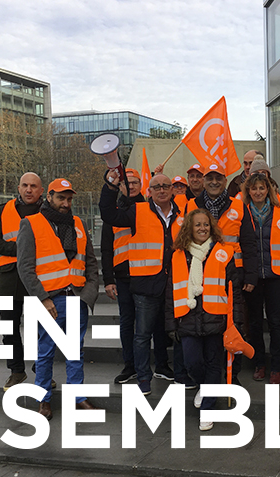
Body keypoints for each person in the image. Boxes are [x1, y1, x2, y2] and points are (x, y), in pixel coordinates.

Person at [100, 171, 190, 395]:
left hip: (175, 284)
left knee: (177, 331)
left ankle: (178, 373)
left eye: (166, 186)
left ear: (172, 190)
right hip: (146, 284)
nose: (162, 190)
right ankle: (143, 377)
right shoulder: (137, 211)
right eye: (156, 186)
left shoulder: (183, 214)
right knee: (142, 334)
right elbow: (109, 214)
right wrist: (110, 186)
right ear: (149, 191)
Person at [16, 178, 99, 420]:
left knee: (75, 351)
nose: (66, 203)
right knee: (45, 352)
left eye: (69, 199)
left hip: (76, 297)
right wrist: (43, 299)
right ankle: (43, 400)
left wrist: (88, 294)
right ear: (49, 197)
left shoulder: (79, 224)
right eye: (61, 198)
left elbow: (90, 262)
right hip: (49, 300)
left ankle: (78, 397)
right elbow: (25, 267)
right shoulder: (31, 223)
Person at [165, 208, 244, 431]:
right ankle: (205, 387)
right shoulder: (178, 255)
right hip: (187, 318)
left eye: (206, 224)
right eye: (197, 224)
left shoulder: (224, 252)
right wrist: (170, 323)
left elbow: (234, 292)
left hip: (215, 319)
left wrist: (237, 322)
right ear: (189, 228)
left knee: (213, 365)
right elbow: (170, 292)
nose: (202, 228)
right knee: (192, 363)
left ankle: (207, 410)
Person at [185, 160, 259, 385]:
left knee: (233, 326)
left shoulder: (239, 205)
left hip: (232, 276)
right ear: (204, 181)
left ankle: (232, 375)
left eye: (219, 178)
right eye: (210, 178)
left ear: (226, 181)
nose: (214, 182)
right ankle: (209, 376)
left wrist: (251, 275)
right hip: (201, 275)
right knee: (207, 327)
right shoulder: (191, 205)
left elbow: (249, 242)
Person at [0, 172, 44, 391]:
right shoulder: (3, 210)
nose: (29, 190)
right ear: (18, 188)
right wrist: (20, 249)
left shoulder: (47, 212)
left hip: (38, 278)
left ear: (41, 191)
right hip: (9, 278)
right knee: (9, 328)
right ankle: (16, 371)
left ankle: (42, 371)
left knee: (40, 330)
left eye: (33, 186)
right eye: (25, 185)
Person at [241, 172, 280, 384]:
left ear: (268, 190)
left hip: (275, 276)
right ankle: (259, 363)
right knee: (254, 322)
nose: (258, 192)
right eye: (254, 188)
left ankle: (276, 367)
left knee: (275, 321)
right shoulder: (242, 214)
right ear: (248, 191)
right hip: (252, 277)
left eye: (262, 188)